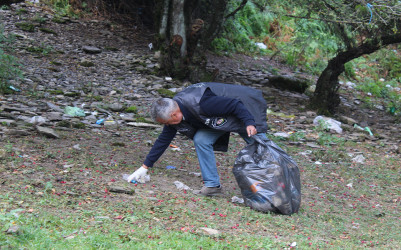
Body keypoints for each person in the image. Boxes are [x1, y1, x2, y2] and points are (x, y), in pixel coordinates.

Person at [127, 82, 268, 196]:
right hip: (218, 117)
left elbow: (234, 105)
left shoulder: (203, 103)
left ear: (174, 115)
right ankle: (212, 185)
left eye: (167, 123)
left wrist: (249, 122)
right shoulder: (175, 111)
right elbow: (163, 140)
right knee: (201, 139)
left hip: (245, 108)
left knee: (261, 146)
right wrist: (144, 167)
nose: (167, 126)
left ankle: (282, 175)